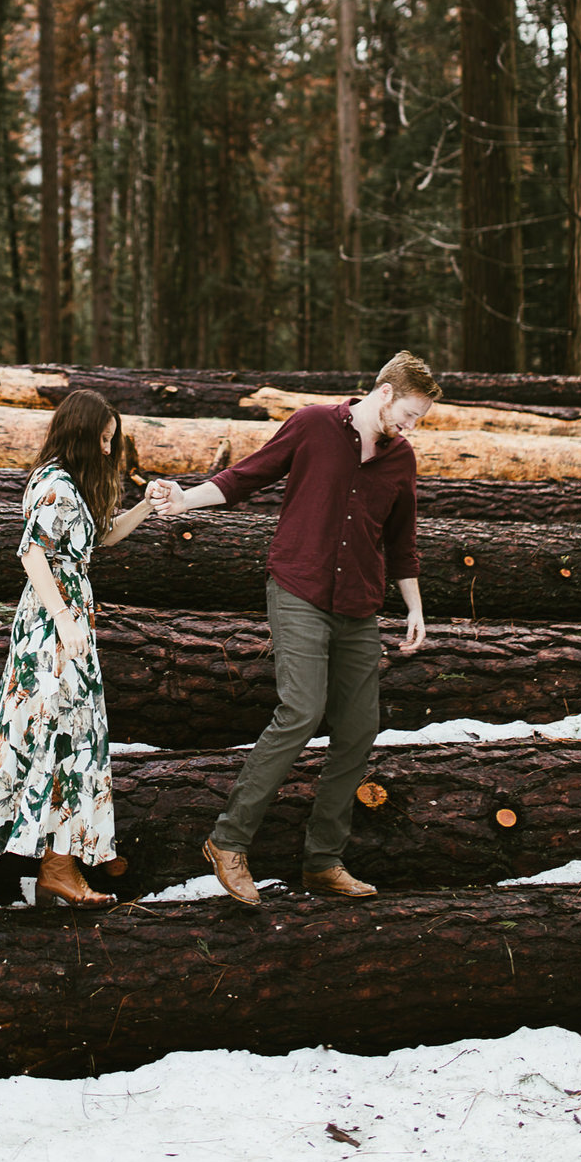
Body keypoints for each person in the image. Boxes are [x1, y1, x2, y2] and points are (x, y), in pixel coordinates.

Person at [149, 350, 440, 905]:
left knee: (359, 731)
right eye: (409, 412)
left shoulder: (401, 460)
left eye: (419, 418)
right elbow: (246, 477)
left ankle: (322, 861)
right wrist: (187, 499)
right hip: (299, 589)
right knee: (302, 710)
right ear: (384, 393)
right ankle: (228, 841)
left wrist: (414, 608)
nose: (411, 425)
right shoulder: (311, 425)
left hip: (359, 605)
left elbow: (402, 541)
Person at [0, 389, 157, 910]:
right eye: (102, 439)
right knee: (34, 731)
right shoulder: (54, 484)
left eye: (111, 441)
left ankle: (46, 862)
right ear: (78, 432)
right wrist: (63, 619)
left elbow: (100, 539)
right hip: (53, 624)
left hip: (67, 619)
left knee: (62, 735)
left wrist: (146, 506)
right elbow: (33, 555)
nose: (106, 449)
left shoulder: (70, 485)